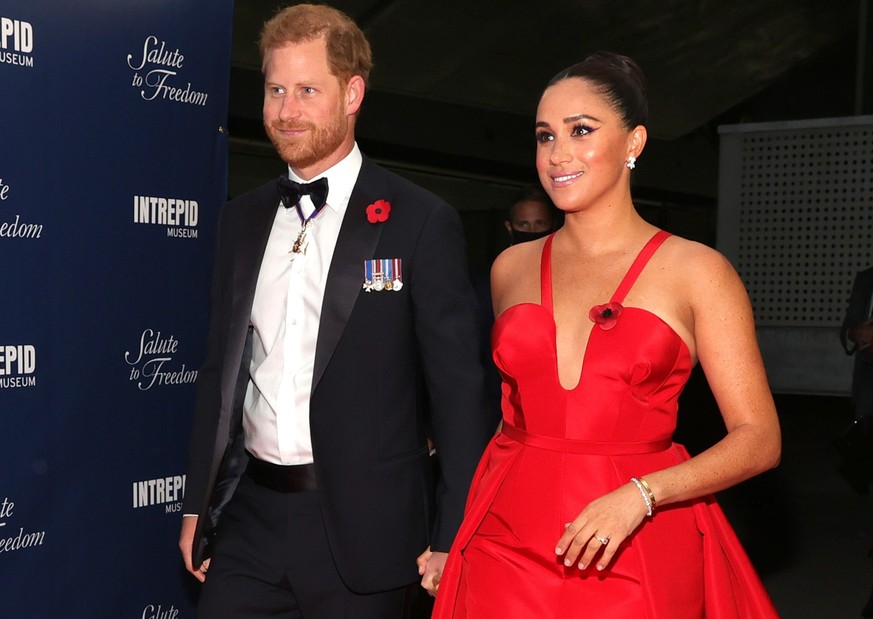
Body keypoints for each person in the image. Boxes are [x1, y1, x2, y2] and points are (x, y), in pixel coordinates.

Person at [428, 52, 782, 618]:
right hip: (506, 541)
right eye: (545, 136)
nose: (557, 154)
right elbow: (510, 416)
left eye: (581, 131)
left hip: (634, 546)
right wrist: (455, 533)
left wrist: (643, 494)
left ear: (635, 142)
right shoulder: (510, 268)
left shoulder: (697, 271)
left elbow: (759, 440)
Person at [178, 4, 492, 617]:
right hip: (251, 518)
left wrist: (453, 534)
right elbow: (219, 373)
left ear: (352, 94)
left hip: (368, 531)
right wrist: (198, 503)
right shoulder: (240, 219)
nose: (286, 110)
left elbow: (458, 393)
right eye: (274, 90)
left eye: (306, 90)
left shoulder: (420, 220)